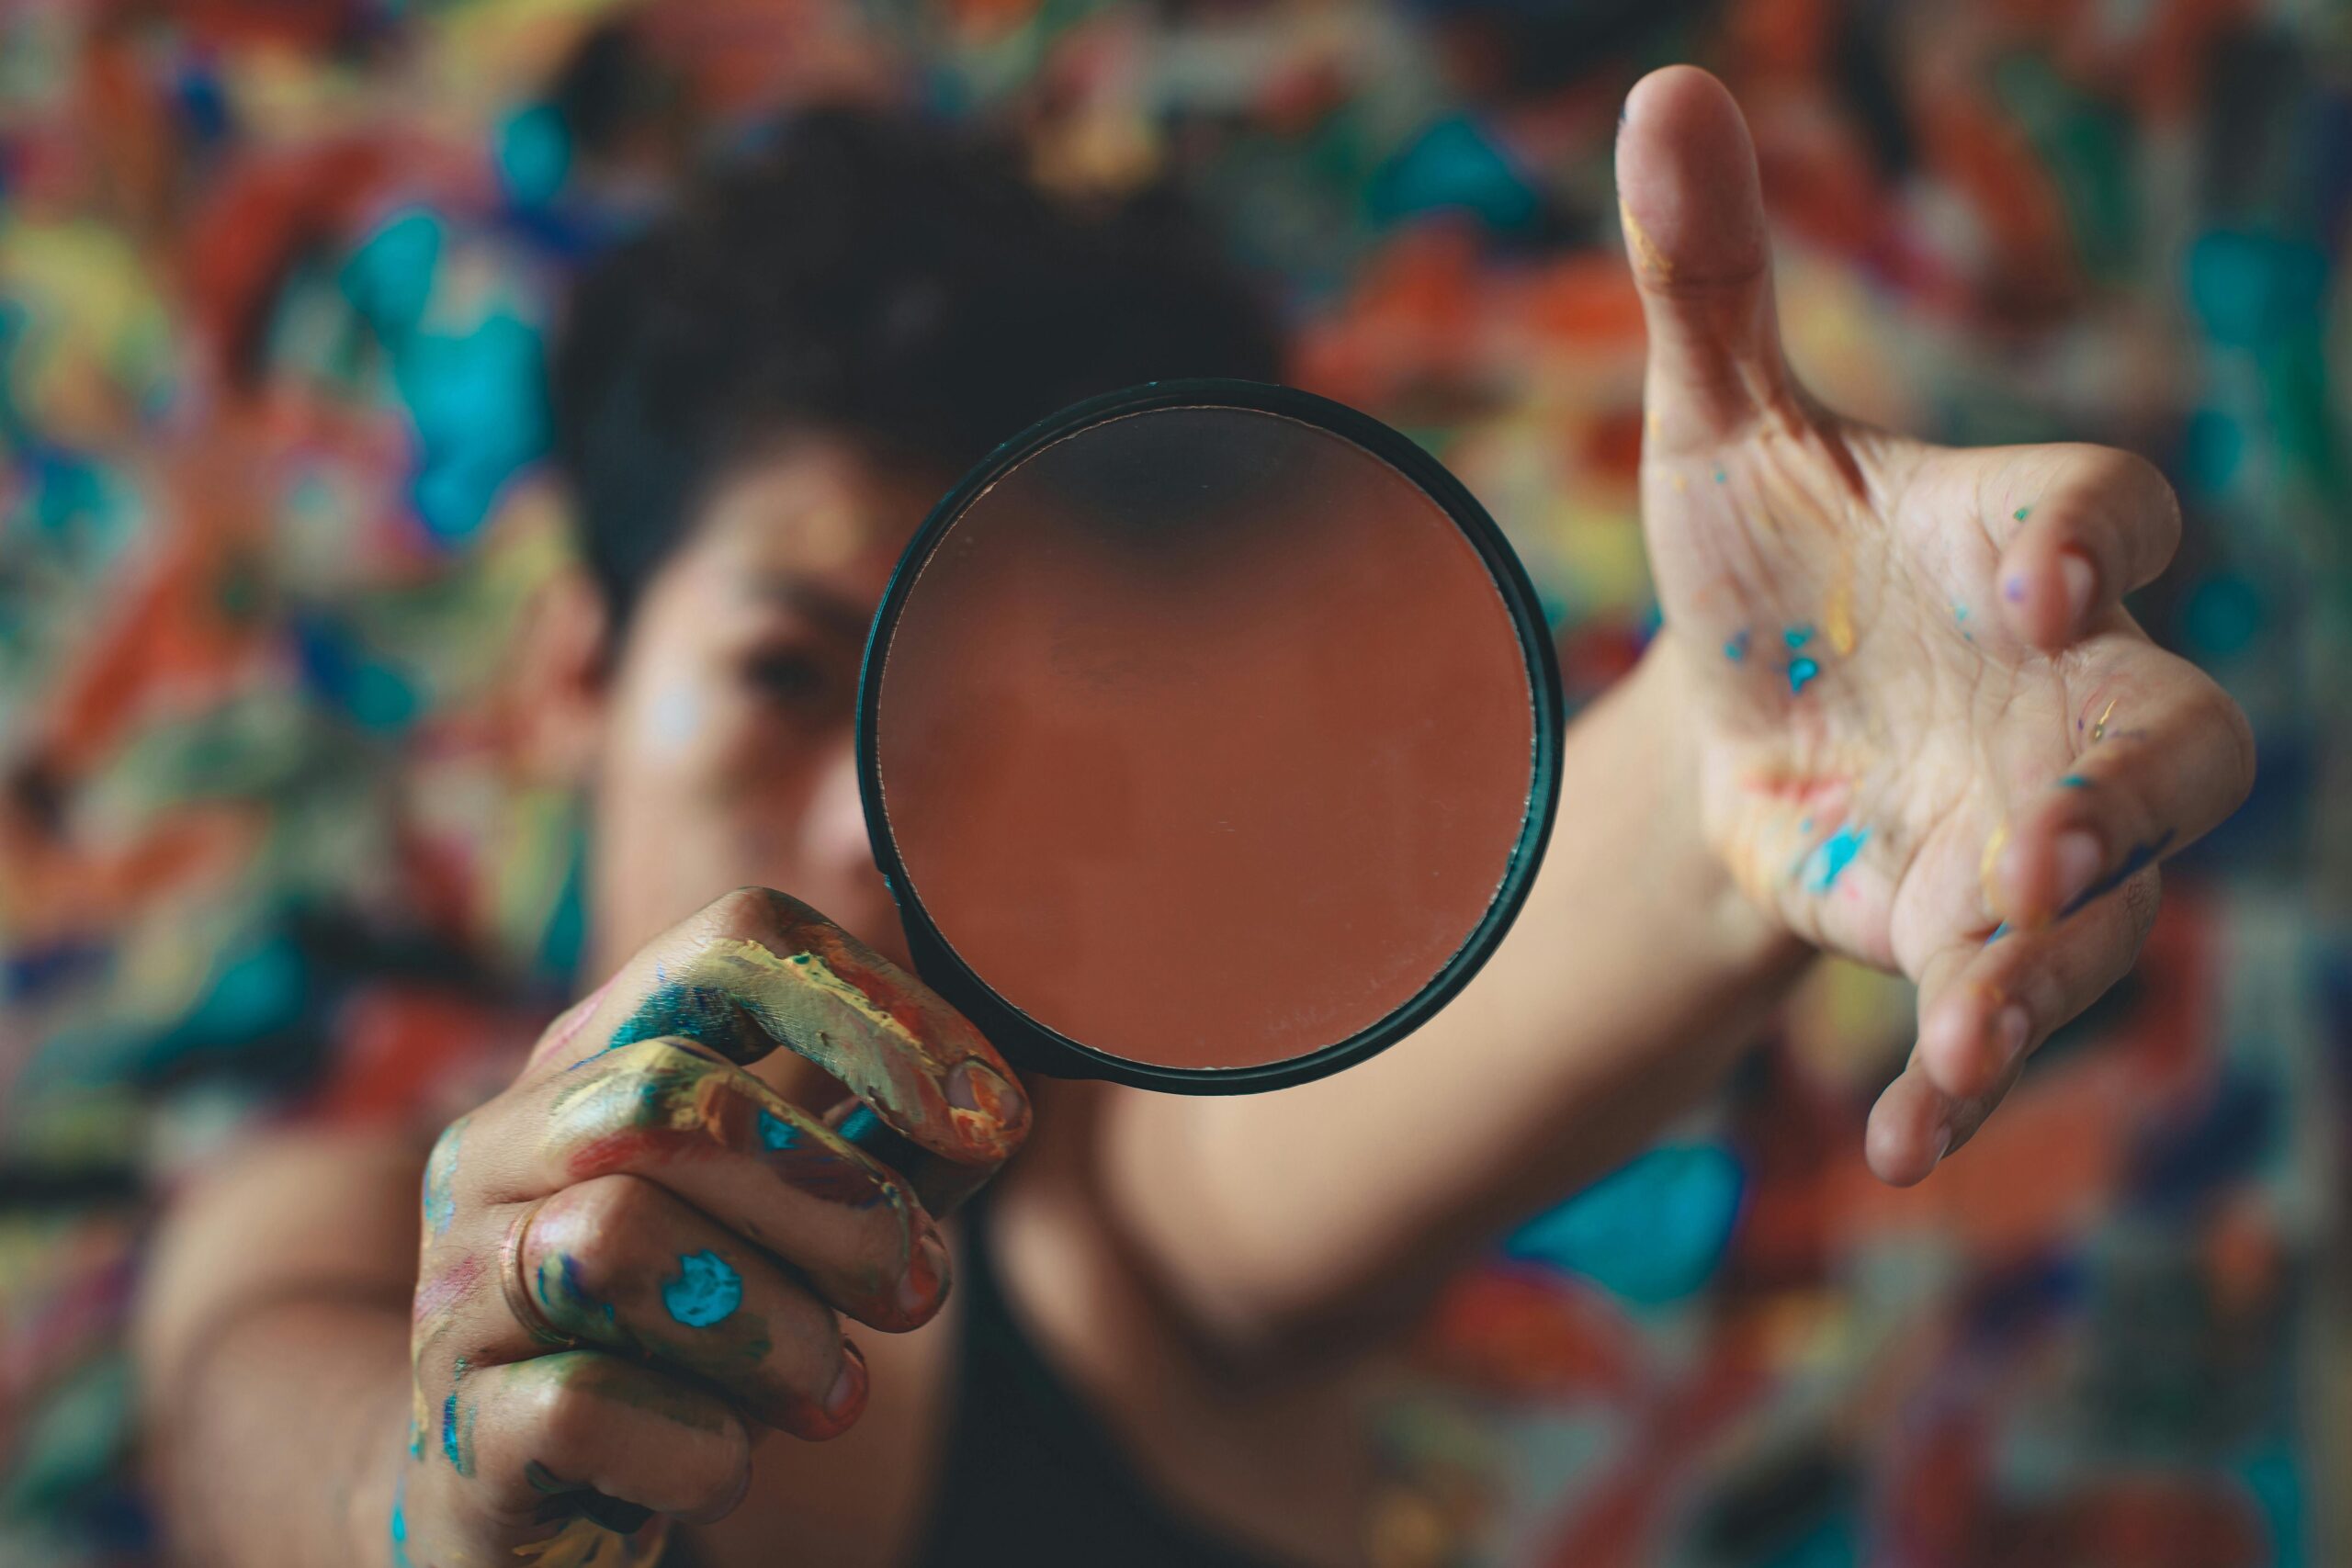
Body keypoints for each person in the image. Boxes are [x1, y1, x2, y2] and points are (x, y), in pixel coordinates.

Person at [132, 68, 2253, 1568]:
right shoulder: (313, 1225)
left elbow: (1476, 1019)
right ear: (574, 677)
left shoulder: (1129, 1240)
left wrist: (1731, 768)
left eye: (989, 735)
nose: (866, 841)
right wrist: (428, 1494)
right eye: (785, 674)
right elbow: (290, 1433)